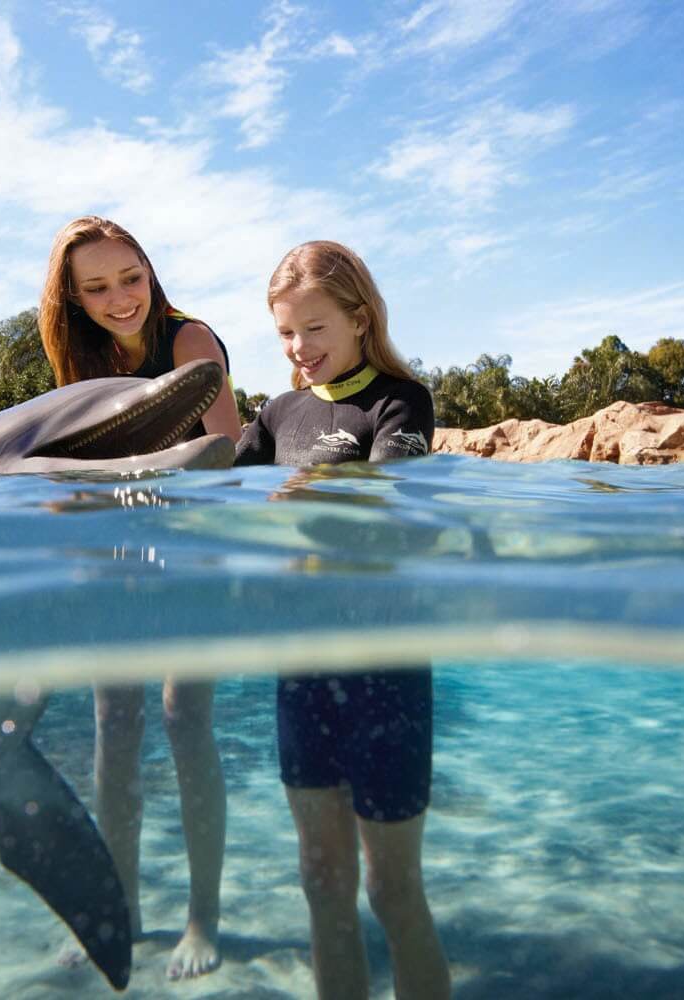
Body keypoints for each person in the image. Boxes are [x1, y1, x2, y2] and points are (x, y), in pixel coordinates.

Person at [234, 240, 450, 1000]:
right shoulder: (276, 414)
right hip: (303, 669)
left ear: (360, 319)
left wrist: (315, 496)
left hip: (383, 667)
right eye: (286, 334)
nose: (300, 350)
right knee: (323, 886)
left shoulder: (401, 399)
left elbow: (392, 494)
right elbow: (216, 494)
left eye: (315, 329)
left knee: (392, 892)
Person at [38, 216, 239, 981]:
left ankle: (202, 919)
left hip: (194, 550)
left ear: (150, 271)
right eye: (97, 287)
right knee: (112, 732)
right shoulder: (82, 358)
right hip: (119, 558)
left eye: (132, 277)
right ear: (73, 300)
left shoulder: (189, 342)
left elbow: (217, 461)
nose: (121, 298)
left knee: (185, 721)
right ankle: (116, 912)